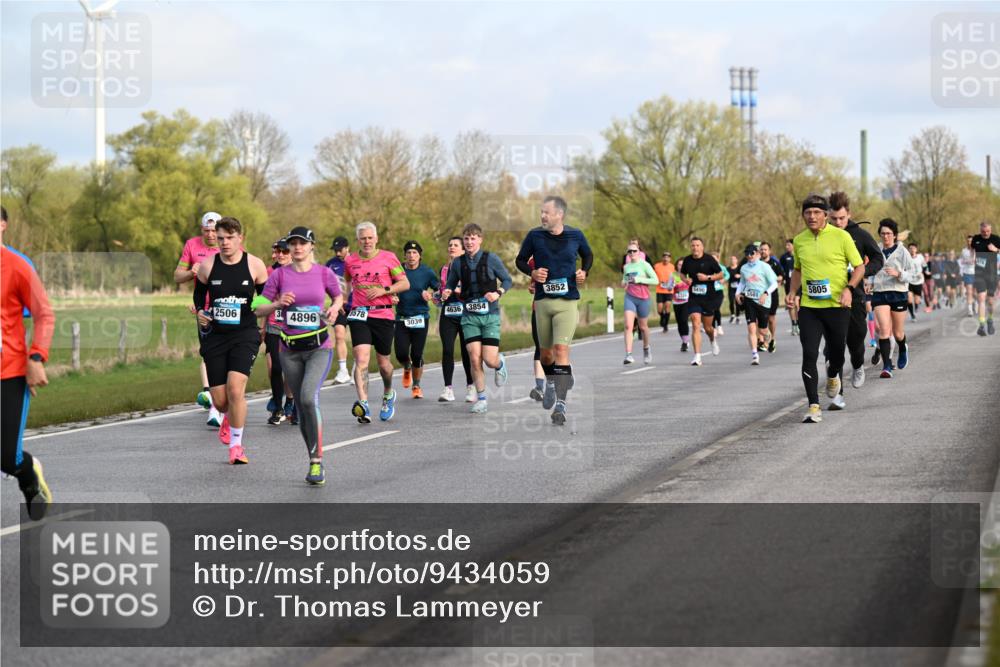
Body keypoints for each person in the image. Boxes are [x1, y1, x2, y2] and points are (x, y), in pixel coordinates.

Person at [255, 226, 342, 485]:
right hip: (289, 350)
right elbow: (257, 308)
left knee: (306, 398)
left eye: (302, 243)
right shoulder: (279, 275)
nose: (297, 248)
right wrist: (277, 304)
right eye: (293, 243)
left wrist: (335, 310)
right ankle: (312, 457)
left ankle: (317, 462)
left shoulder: (324, 273)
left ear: (312, 246)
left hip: (318, 348)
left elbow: (338, 298)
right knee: (302, 410)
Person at [193, 216, 269, 464]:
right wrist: (201, 314)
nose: (224, 243)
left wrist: (261, 321)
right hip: (215, 336)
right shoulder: (207, 265)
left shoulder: (255, 265)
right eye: (220, 238)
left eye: (229, 238)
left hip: (245, 334)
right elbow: (198, 298)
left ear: (240, 238)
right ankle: (228, 416)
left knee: (236, 390)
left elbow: (265, 298)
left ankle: (236, 446)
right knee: (221, 401)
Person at [515, 196, 592, 425]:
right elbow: (520, 260)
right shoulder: (534, 235)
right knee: (546, 355)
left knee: (561, 350)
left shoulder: (575, 235)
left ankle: (561, 404)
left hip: (567, 302)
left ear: (560, 214)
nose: (542, 216)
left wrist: (583, 272)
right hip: (543, 302)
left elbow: (588, 255)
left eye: (546, 212)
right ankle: (550, 381)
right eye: (541, 212)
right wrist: (532, 273)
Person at [787, 194, 864, 424]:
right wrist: (792, 291)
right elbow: (798, 270)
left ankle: (833, 375)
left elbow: (859, 267)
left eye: (816, 212)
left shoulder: (842, 236)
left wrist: (849, 288)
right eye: (807, 213)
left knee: (836, 354)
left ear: (825, 215)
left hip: (837, 306)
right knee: (809, 353)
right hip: (810, 307)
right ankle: (813, 406)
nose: (811, 216)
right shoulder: (799, 240)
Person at [1, 205, 56, 519]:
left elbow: (43, 314)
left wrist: (36, 356)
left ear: (3, 226)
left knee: (7, 456)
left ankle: (28, 473)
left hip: (8, 371)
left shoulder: (17, 266)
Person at [443, 223, 513, 415]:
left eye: (473, 238)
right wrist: (448, 289)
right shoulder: (457, 263)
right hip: (469, 316)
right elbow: (450, 282)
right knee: (475, 359)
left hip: (490, 315)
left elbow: (508, 280)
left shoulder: (491, 259)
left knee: (489, 360)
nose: (469, 242)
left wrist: (498, 292)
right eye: (466, 239)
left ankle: (500, 363)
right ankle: (481, 399)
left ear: (480, 240)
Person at [343, 222, 409, 423]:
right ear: (358, 240)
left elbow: (405, 283)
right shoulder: (350, 260)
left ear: (376, 238)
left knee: (384, 364)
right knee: (361, 359)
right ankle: (363, 404)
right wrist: (345, 301)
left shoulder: (388, 257)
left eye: (370, 238)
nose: (367, 242)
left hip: (383, 315)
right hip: (360, 315)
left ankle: (388, 393)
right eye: (363, 238)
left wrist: (384, 291)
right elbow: (347, 282)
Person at [825, 192, 883, 409]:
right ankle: (837, 396)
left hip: (855, 298)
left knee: (855, 344)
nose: (838, 223)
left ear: (849, 214)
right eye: (833, 219)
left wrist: (863, 272)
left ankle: (858, 365)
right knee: (833, 349)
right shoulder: (822, 235)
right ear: (827, 216)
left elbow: (878, 257)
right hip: (829, 301)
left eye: (841, 218)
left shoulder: (860, 235)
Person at [175, 211, 223, 426]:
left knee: (224, 354)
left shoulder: (230, 244)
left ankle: (218, 397)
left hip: (226, 306)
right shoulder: (192, 245)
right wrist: (191, 272)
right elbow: (177, 277)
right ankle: (210, 396)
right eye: (207, 231)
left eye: (214, 231)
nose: (211, 235)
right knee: (208, 351)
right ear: (201, 230)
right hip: (203, 308)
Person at [870, 219, 919, 379]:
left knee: (898, 333)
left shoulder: (902, 251)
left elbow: (914, 274)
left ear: (895, 235)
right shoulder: (875, 250)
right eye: (883, 233)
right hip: (880, 292)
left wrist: (899, 274)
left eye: (889, 233)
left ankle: (903, 348)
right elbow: (869, 268)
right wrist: (868, 282)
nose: (886, 236)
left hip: (898, 293)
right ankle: (887, 366)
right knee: (884, 330)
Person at [394, 240, 439, 399]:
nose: (411, 256)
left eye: (415, 253)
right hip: (401, 318)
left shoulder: (427, 272)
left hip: (421, 317)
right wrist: (392, 296)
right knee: (400, 353)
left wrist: (431, 295)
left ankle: (416, 385)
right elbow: (389, 288)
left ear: (420, 256)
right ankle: (406, 367)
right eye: (408, 253)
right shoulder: (397, 271)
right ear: (404, 256)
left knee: (417, 354)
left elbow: (439, 291)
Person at [437, 236, 475, 403]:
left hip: (466, 314)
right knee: (447, 350)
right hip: (448, 314)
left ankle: (471, 387)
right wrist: (437, 296)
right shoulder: (444, 269)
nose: (452, 247)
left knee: (467, 353)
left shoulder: (469, 267)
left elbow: (472, 291)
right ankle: (448, 389)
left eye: (455, 245)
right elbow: (441, 293)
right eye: (450, 244)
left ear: (463, 250)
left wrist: (455, 291)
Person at [264, 238, 295, 425]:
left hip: (294, 327)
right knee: (275, 367)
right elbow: (264, 299)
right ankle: (277, 406)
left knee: (291, 368)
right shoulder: (270, 271)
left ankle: (291, 401)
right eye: (278, 251)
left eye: (285, 251)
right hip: (274, 324)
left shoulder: (301, 270)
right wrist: (261, 326)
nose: (281, 255)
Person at [679, 237, 724, 366]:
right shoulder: (687, 260)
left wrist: (708, 277)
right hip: (694, 297)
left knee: (708, 327)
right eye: (693, 245)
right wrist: (685, 280)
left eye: (698, 245)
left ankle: (712, 340)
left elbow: (720, 274)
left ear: (702, 247)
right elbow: (682, 274)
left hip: (708, 298)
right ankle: (697, 356)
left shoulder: (709, 259)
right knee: (695, 323)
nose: (695, 248)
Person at [735, 244, 779, 366]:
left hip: (763, 301)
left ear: (757, 254)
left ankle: (770, 339)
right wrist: (737, 293)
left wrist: (765, 293)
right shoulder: (743, 268)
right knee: (751, 328)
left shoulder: (764, 267)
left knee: (763, 330)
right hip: (749, 300)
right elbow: (742, 282)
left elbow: (774, 284)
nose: (749, 256)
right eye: (747, 254)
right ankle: (755, 355)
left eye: (751, 253)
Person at [621, 242, 658, 364]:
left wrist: (640, 280)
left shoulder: (645, 265)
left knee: (643, 327)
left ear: (639, 252)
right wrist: (624, 282)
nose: (632, 253)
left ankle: (646, 348)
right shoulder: (626, 267)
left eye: (634, 251)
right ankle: (628, 354)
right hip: (630, 297)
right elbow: (625, 279)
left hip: (643, 298)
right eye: (629, 251)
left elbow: (656, 280)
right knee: (628, 326)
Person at [324, 236, 354, 385]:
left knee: (358, 339)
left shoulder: (356, 261)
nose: (337, 253)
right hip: (340, 307)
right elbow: (324, 285)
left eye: (340, 250)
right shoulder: (330, 265)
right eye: (335, 250)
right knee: (339, 335)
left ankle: (358, 369)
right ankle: (343, 371)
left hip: (357, 306)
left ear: (347, 248)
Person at [971, 221, 1000, 336]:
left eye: (988, 231)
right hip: (979, 273)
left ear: (991, 230)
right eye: (983, 232)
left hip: (992, 273)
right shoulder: (976, 239)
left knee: (990, 301)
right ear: (980, 230)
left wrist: (996, 250)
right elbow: (972, 249)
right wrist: (973, 258)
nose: (985, 233)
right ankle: (981, 325)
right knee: (981, 298)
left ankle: (990, 320)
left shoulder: (996, 239)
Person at [758, 242, 784, 352]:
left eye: (765, 249)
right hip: (759, 294)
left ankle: (772, 339)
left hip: (772, 294)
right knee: (760, 318)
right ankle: (762, 341)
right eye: (762, 249)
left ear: (769, 251)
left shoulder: (774, 263)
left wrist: (774, 279)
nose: (763, 251)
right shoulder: (756, 263)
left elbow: (781, 276)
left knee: (771, 318)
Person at [666, 260, 691, 351]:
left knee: (684, 320)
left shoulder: (689, 274)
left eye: (683, 264)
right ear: (677, 265)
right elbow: (668, 288)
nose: (681, 266)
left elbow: (692, 284)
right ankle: (684, 340)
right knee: (679, 322)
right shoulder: (673, 275)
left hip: (687, 301)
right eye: (679, 264)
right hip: (676, 302)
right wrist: (672, 285)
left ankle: (686, 342)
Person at [779, 239, 798, 336]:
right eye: (786, 245)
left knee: (798, 304)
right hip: (789, 285)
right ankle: (794, 325)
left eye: (789, 245)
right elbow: (780, 270)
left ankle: (799, 323)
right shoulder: (783, 257)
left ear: (794, 245)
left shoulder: (799, 255)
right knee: (791, 304)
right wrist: (782, 279)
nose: (787, 247)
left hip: (799, 284)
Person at [653, 251, 675, 333]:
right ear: (662, 258)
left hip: (669, 290)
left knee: (668, 305)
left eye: (668, 257)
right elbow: (652, 274)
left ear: (670, 259)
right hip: (659, 289)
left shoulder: (672, 267)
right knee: (660, 308)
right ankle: (662, 317)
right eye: (664, 257)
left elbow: (676, 277)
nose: (666, 258)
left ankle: (665, 324)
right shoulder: (657, 266)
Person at [906, 242, 926, 321]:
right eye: (910, 248)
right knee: (909, 299)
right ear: (908, 249)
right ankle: (912, 315)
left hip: (918, 281)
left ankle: (916, 306)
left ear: (916, 249)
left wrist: (923, 272)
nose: (912, 250)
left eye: (913, 248)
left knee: (917, 300)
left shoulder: (920, 257)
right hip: (909, 281)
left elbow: (925, 266)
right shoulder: (906, 258)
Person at [960, 235, 977, 316]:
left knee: (975, 293)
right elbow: (961, 261)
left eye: (971, 241)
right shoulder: (964, 251)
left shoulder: (977, 250)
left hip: (976, 273)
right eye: (968, 241)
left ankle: (975, 303)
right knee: (969, 292)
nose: (969, 242)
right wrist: (966, 262)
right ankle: (970, 310)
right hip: (967, 273)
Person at [726, 255, 742, 324]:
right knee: (731, 302)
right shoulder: (728, 269)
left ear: (736, 260)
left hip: (738, 288)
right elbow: (725, 276)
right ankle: (732, 315)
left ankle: (738, 317)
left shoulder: (740, 268)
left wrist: (740, 276)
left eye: (734, 259)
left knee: (737, 302)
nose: (732, 261)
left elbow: (744, 275)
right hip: (731, 288)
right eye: (731, 259)